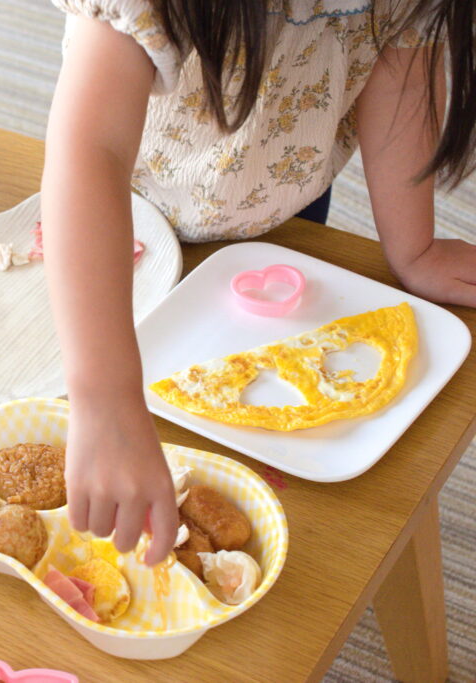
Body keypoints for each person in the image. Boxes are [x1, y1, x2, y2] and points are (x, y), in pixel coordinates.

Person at [40, 0, 476, 564]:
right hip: (117, 215)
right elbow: (89, 151)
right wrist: (105, 401)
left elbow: (398, 65)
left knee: (271, 478)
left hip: (280, 206)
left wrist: (413, 248)